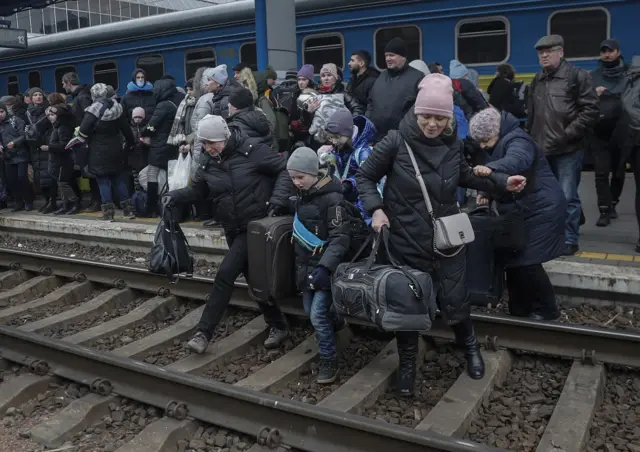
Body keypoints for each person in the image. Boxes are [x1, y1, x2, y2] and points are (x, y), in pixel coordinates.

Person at [356, 74, 527, 395]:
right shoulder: (395, 141)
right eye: (426, 116)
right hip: (405, 240)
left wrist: (503, 182)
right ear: (416, 113)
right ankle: (407, 366)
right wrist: (376, 208)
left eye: (439, 117)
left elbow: (465, 176)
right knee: (407, 305)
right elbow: (363, 177)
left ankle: (471, 349)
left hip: (446, 239)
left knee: (455, 299)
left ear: (449, 118)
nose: (432, 124)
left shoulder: (452, 145)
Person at [162, 115, 292, 354]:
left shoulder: (251, 150)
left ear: (224, 137)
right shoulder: (208, 160)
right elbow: (198, 189)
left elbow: (284, 169)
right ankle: (278, 325)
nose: (208, 148)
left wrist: (277, 201)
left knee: (224, 275)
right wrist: (176, 196)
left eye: (212, 142)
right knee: (255, 280)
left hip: (254, 228)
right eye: (204, 143)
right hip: (231, 227)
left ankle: (203, 333)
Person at [469, 108, 567, 320]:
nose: (483, 146)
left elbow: (516, 160)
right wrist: (486, 189)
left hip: (542, 209)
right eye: (480, 142)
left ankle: (547, 310)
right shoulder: (503, 139)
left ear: (497, 131)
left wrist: (491, 169)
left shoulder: (518, 140)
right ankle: (519, 309)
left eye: (486, 140)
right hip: (525, 209)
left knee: (527, 260)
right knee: (514, 260)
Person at [527, 34, 598, 255]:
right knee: (546, 196)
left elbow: (590, 110)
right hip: (541, 148)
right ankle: (551, 235)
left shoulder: (578, 76)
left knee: (567, 195)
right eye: (541, 52)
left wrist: (567, 134)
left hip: (568, 148)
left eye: (549, 50)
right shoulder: (537, 80)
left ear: (561, 52)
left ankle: (569, 239)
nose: (544, 55)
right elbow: (532, 115)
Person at [287, 147, 351, 384]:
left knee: (317, 316)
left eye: (300, 177)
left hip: (324, 268)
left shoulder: (332, 198)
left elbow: (340, 238)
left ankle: (329, 360)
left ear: (314, 173)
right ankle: (339, 326)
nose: (296, 182)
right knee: (310, 310)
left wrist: (325, 268)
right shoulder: (303, 197)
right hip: (306, 267)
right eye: (293, 178)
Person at [0, 102, 32, 212]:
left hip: (20, 154)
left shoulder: (16, 120)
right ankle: (18, 202)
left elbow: (23, 135)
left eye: (1, 112)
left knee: (22, 178)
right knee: (11, 180)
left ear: (5, 111)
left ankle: (28, 201)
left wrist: (14, 142)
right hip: (7, 156)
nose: (0, 114)